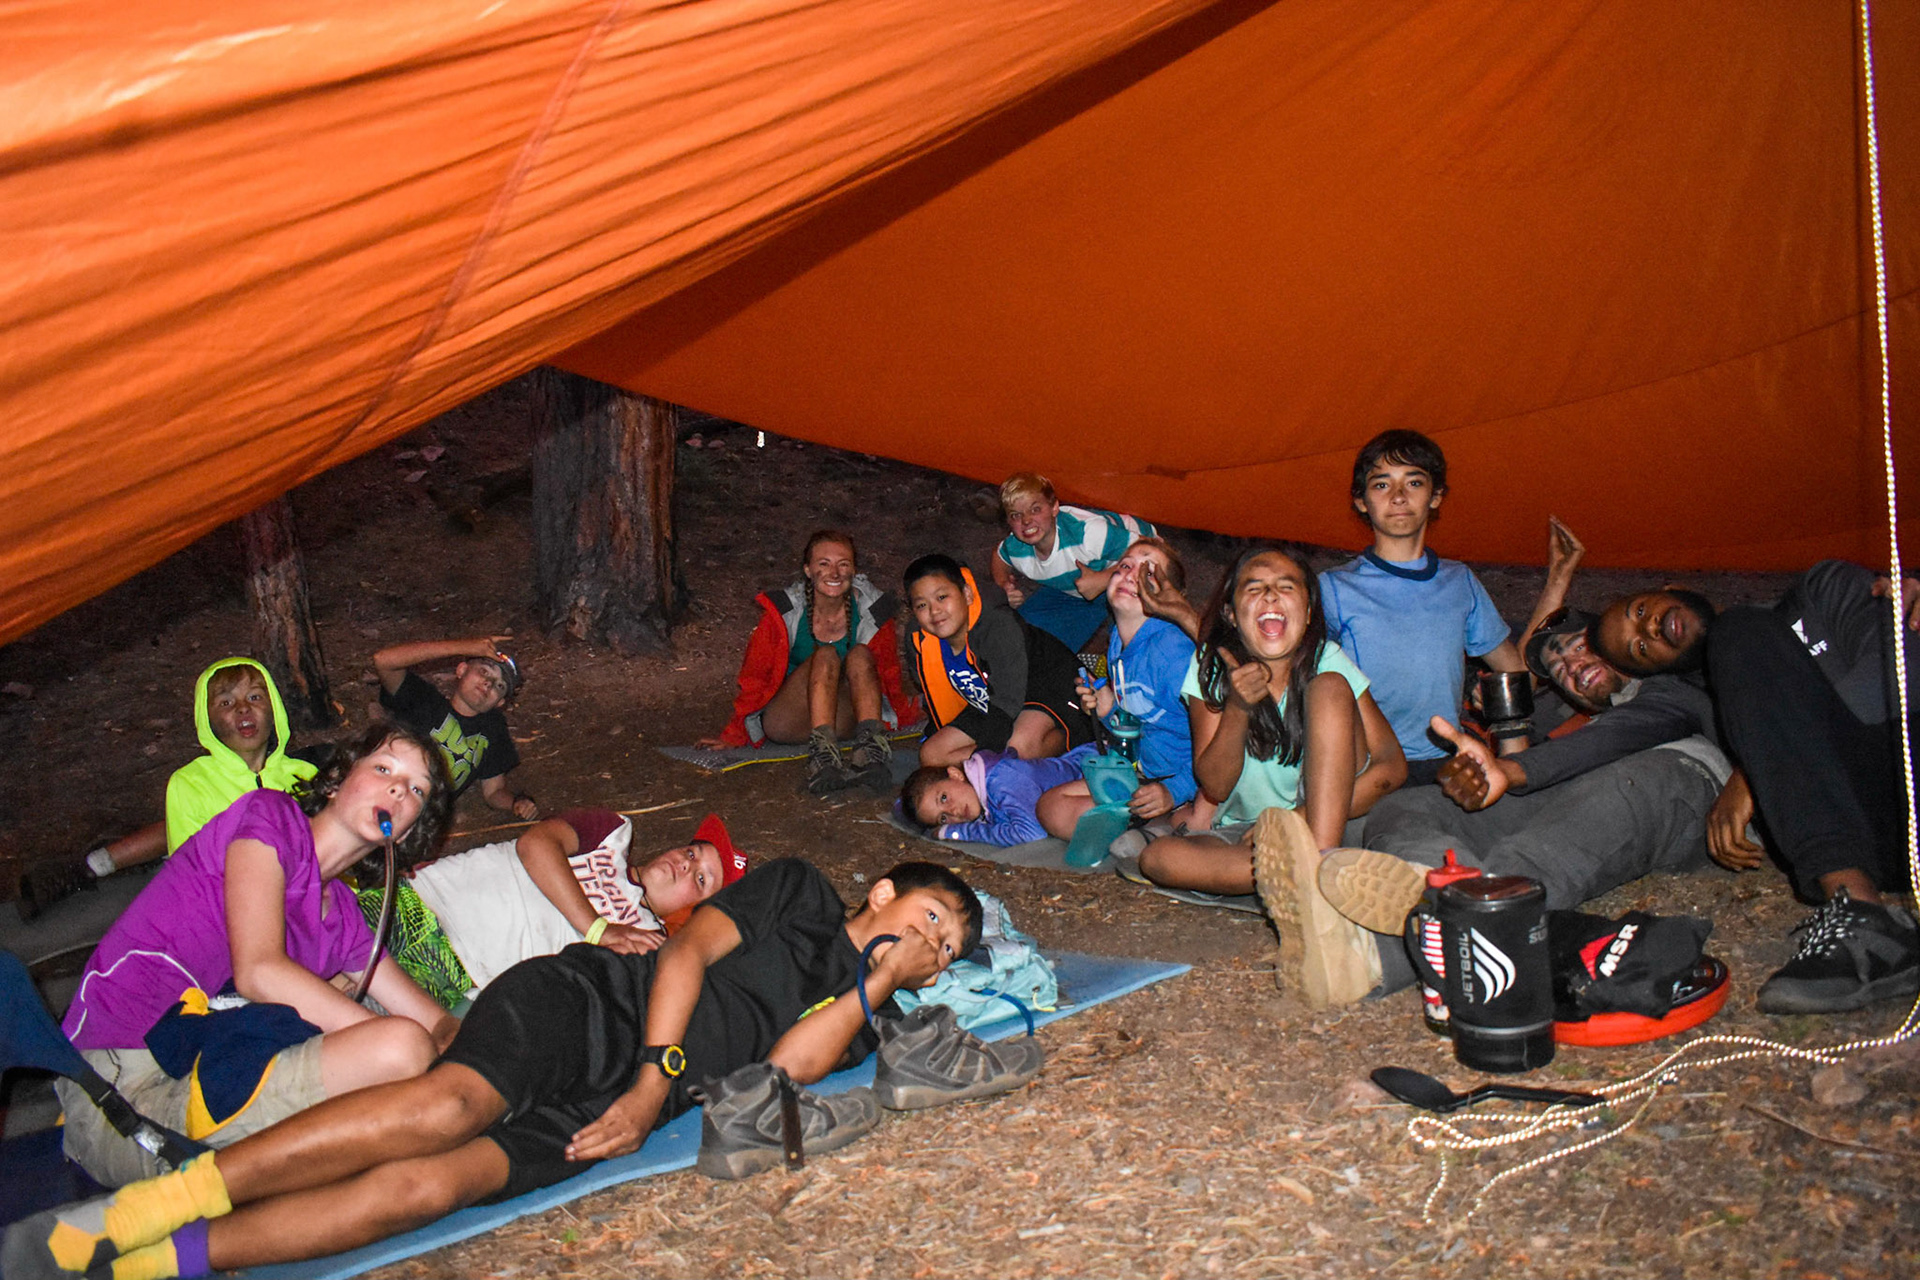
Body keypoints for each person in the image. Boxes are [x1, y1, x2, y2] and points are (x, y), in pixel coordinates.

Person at [5, 861, 1042, 1279]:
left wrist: (876, 982)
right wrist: (653, 1077)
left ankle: (146, 1266)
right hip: (591, 1008)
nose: (933, 944)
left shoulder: (866, 1016)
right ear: (884, 888)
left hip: (625, 1103)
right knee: (447, 1105)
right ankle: (141, 1209)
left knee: (426, 1188)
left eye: (947, 947)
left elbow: (778, 1070)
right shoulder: (801, 893)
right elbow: (684, 953)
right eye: (930, 918)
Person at [54, 724, 458, 1188]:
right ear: (335, 781)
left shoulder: (343, 915)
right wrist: (399, 1048)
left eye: (416, 789)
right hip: (119, 1094)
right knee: (397, 1046)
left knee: (393, 1035)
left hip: (214, 1067)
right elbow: (259, 972)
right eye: (384, 769)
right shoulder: (269, 818)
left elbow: (437, 1023)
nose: (398, 789)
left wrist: (461, 1052)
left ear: (405, 834)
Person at [1589, 562, 1919, 1014]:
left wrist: (1753, 767)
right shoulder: (1708, 702)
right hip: (1880, 838)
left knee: (1740, 629)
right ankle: (1867, 926)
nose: (1648, 628)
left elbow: (1901, 675)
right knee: (1738, 637)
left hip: (1903, 757)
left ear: (1675, 587)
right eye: (1640, 649)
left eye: (1641, 610)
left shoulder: (1821, 589)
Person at [1317, 605, 1732, 956]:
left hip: (1675, 778)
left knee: (1570, 824)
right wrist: (1505, 730)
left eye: (1580, 648)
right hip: (1582, 785)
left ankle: (1377, 956)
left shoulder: (1674, 683)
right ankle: (1427, 887)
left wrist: (1511, 770)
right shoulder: (1566, 724)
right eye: (1560, 670)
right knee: (1408, 806)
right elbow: (1543, 762)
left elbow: (1620, 736)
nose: (1572, 668)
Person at [1135, 545, 1406, 1007]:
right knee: (1157, 858)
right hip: (1250, 836)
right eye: (1255, 588)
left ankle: (1316, 870)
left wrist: (1298, 820)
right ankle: (1310, 880)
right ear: (1231, 612)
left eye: (1286, 587)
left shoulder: (1327, 659)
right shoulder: (1209, 669)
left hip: (1335, 819)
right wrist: (1238, 707)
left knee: (1329, 688)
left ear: (1309, 610)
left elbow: (1391, 765)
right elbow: (1215, 785)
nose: (1271, 597)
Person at [15, 658, 321, 922]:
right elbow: (197, 877)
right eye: (226, 703)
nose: (244, 709)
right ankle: (89, 867)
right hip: (240, 914)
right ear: (207, 720)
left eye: (255, 697)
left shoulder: (303, 774)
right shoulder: (191, 783)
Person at [365, 810, 749, 1008]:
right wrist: (597, 928)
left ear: (697, 910)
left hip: (459, 973)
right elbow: (535, 845)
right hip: (423, 899)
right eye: (692, 853)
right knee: (337, 952)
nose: (685, 865)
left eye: (701, 879)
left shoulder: (649, 943)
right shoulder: (612, 833)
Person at [1318, 430, 1524, 783]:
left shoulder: (1459, 581)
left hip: (1445, 760)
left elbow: (1513, 670)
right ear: (1362, 501)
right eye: (1382, 485)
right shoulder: (1334, 587)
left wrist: (1512, 750)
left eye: (1413, 483)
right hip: (1365, 767)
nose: (1398, 496)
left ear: (1436, 496)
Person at [695, 530, 920, 795]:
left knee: (860, 654)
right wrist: (734, 735)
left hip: (844, 716)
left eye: (843, 564)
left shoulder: (873, 611)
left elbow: (887, 675)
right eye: (824, 564)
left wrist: (905, 713)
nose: (834, 573)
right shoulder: (785, 613)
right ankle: (822, 759)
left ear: (853, 570)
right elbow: (755, 677)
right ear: (807, 570)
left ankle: (869, 754)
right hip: (789, 718)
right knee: (825, 655)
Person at [1039, 539, 1199, 841]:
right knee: (1051, 807)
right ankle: (1154, 826)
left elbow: (1220, 737)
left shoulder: (1173, 652)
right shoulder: (1117, 642)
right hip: (1145, 772)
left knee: (1073, 816)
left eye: (1148, 573)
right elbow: (1143, 719)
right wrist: (1107, 708)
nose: (1130, 575)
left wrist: (1176, 790)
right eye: (1125, 566)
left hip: (1189, 779)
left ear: (1171, 597)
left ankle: (1166, 823)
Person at [906, 554, 1094, 767]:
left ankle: (1071, 738)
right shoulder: (918, 641)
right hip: (989, 701)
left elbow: (1007, 700)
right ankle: (996, 764)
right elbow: (935, 694)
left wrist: (984, 754)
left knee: (1017, 747)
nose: (934, 611)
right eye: (922, 605)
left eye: (942, 597)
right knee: (931, 755)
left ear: (966, 594)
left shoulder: (998, 627)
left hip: (1045, 690)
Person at [989, 472, 1157, 652]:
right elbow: (1000, 558)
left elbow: (1152, 551)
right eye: (1016, 515)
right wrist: (1003, 586)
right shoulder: (1016, 547)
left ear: (1055, 508)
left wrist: (1105, 578)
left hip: (1133, 561)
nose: (1026, 520)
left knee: (1136, 644)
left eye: (1035, 509)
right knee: (1022, 637)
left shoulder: (1088, 534)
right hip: (1079, 584)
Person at [373, 636, 536, 818]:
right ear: (462, 669)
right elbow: (383, 661)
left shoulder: (492, 729)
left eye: (500, 685)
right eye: (484, 671)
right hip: (384, 793)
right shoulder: (424, 701)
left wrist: (516, 803)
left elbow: (493, 791)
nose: (488, 683)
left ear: (500, 702)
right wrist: (462, 646)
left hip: (423, 817)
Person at [902, 746, 1096, 846]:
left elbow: (1031, 833)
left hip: (1099, 766)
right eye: (943, 818)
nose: (953, 812)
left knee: (1054, 809)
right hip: (1084, 787)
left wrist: (959, 832)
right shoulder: (984, 799)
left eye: (944, 798)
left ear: (955, 775)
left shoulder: (1000, 779)